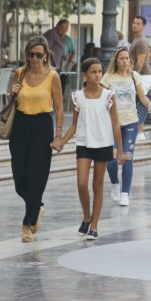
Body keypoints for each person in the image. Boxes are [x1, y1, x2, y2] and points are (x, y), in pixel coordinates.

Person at [52, 57, 124, 242]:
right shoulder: (78, 97)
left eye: (99, 71)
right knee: (82, 183)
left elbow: (116, 124)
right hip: (84, 143)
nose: (97, 75)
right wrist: (61, 141)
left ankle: (94, 226)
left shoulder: (109, 96)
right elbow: (74, 125)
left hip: (103, 144)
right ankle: (86, 216)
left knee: (97, 185)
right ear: (85, 74)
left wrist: (120, 151)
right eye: (93, 71)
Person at [6, 35, 64, 242]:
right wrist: (11, 93)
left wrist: (58, 135)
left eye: (39, 55)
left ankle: (27, 224)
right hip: (20, 126)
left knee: (36, 177)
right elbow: (11, 99)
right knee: (20, 181)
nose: (35, 59)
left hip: (42, 127)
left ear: (46, 55)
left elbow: (58, 106)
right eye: (31, 54)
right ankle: (36, 206)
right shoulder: (19, 74)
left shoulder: (52, 77)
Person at [102, 47, 151, 206]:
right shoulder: (108, 78)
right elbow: (101, 98)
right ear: (116, 61)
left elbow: (142, 96)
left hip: (131, 121)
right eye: (122, 58)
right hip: (112, 123)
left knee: (128, 157)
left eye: (127, 58)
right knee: (111, 158)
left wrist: (150, 105)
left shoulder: (134, 76)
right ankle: (115, 185)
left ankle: (125, 193)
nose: (125, 61)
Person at [128, 15, 151, 106]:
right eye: (134, 23)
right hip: (140, 76)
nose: (135, 25)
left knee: (139, 107)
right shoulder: (136, 39)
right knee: (137, 108)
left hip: (142, 76)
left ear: (143, 26)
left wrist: (134, 79)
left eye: (138, 24)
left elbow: (140, 62)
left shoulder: (141, 41)